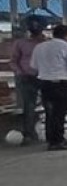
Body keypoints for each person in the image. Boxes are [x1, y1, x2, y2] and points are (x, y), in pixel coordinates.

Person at [31, 25, 67, 151]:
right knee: (60, 113)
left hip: (45, 84)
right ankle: (58, 140)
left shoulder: (39, 47)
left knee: (50, 113)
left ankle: (51, 139)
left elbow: (34, 65)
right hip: (62, 84)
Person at [10, 15, 46, 145]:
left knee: (49, 105)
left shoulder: (47, 44)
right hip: (27, 77)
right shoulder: (20, 43)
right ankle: (28, 134)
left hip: (44, 77)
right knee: (29, 106)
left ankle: (51, 132)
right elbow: (13, 61)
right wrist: (20, 73)